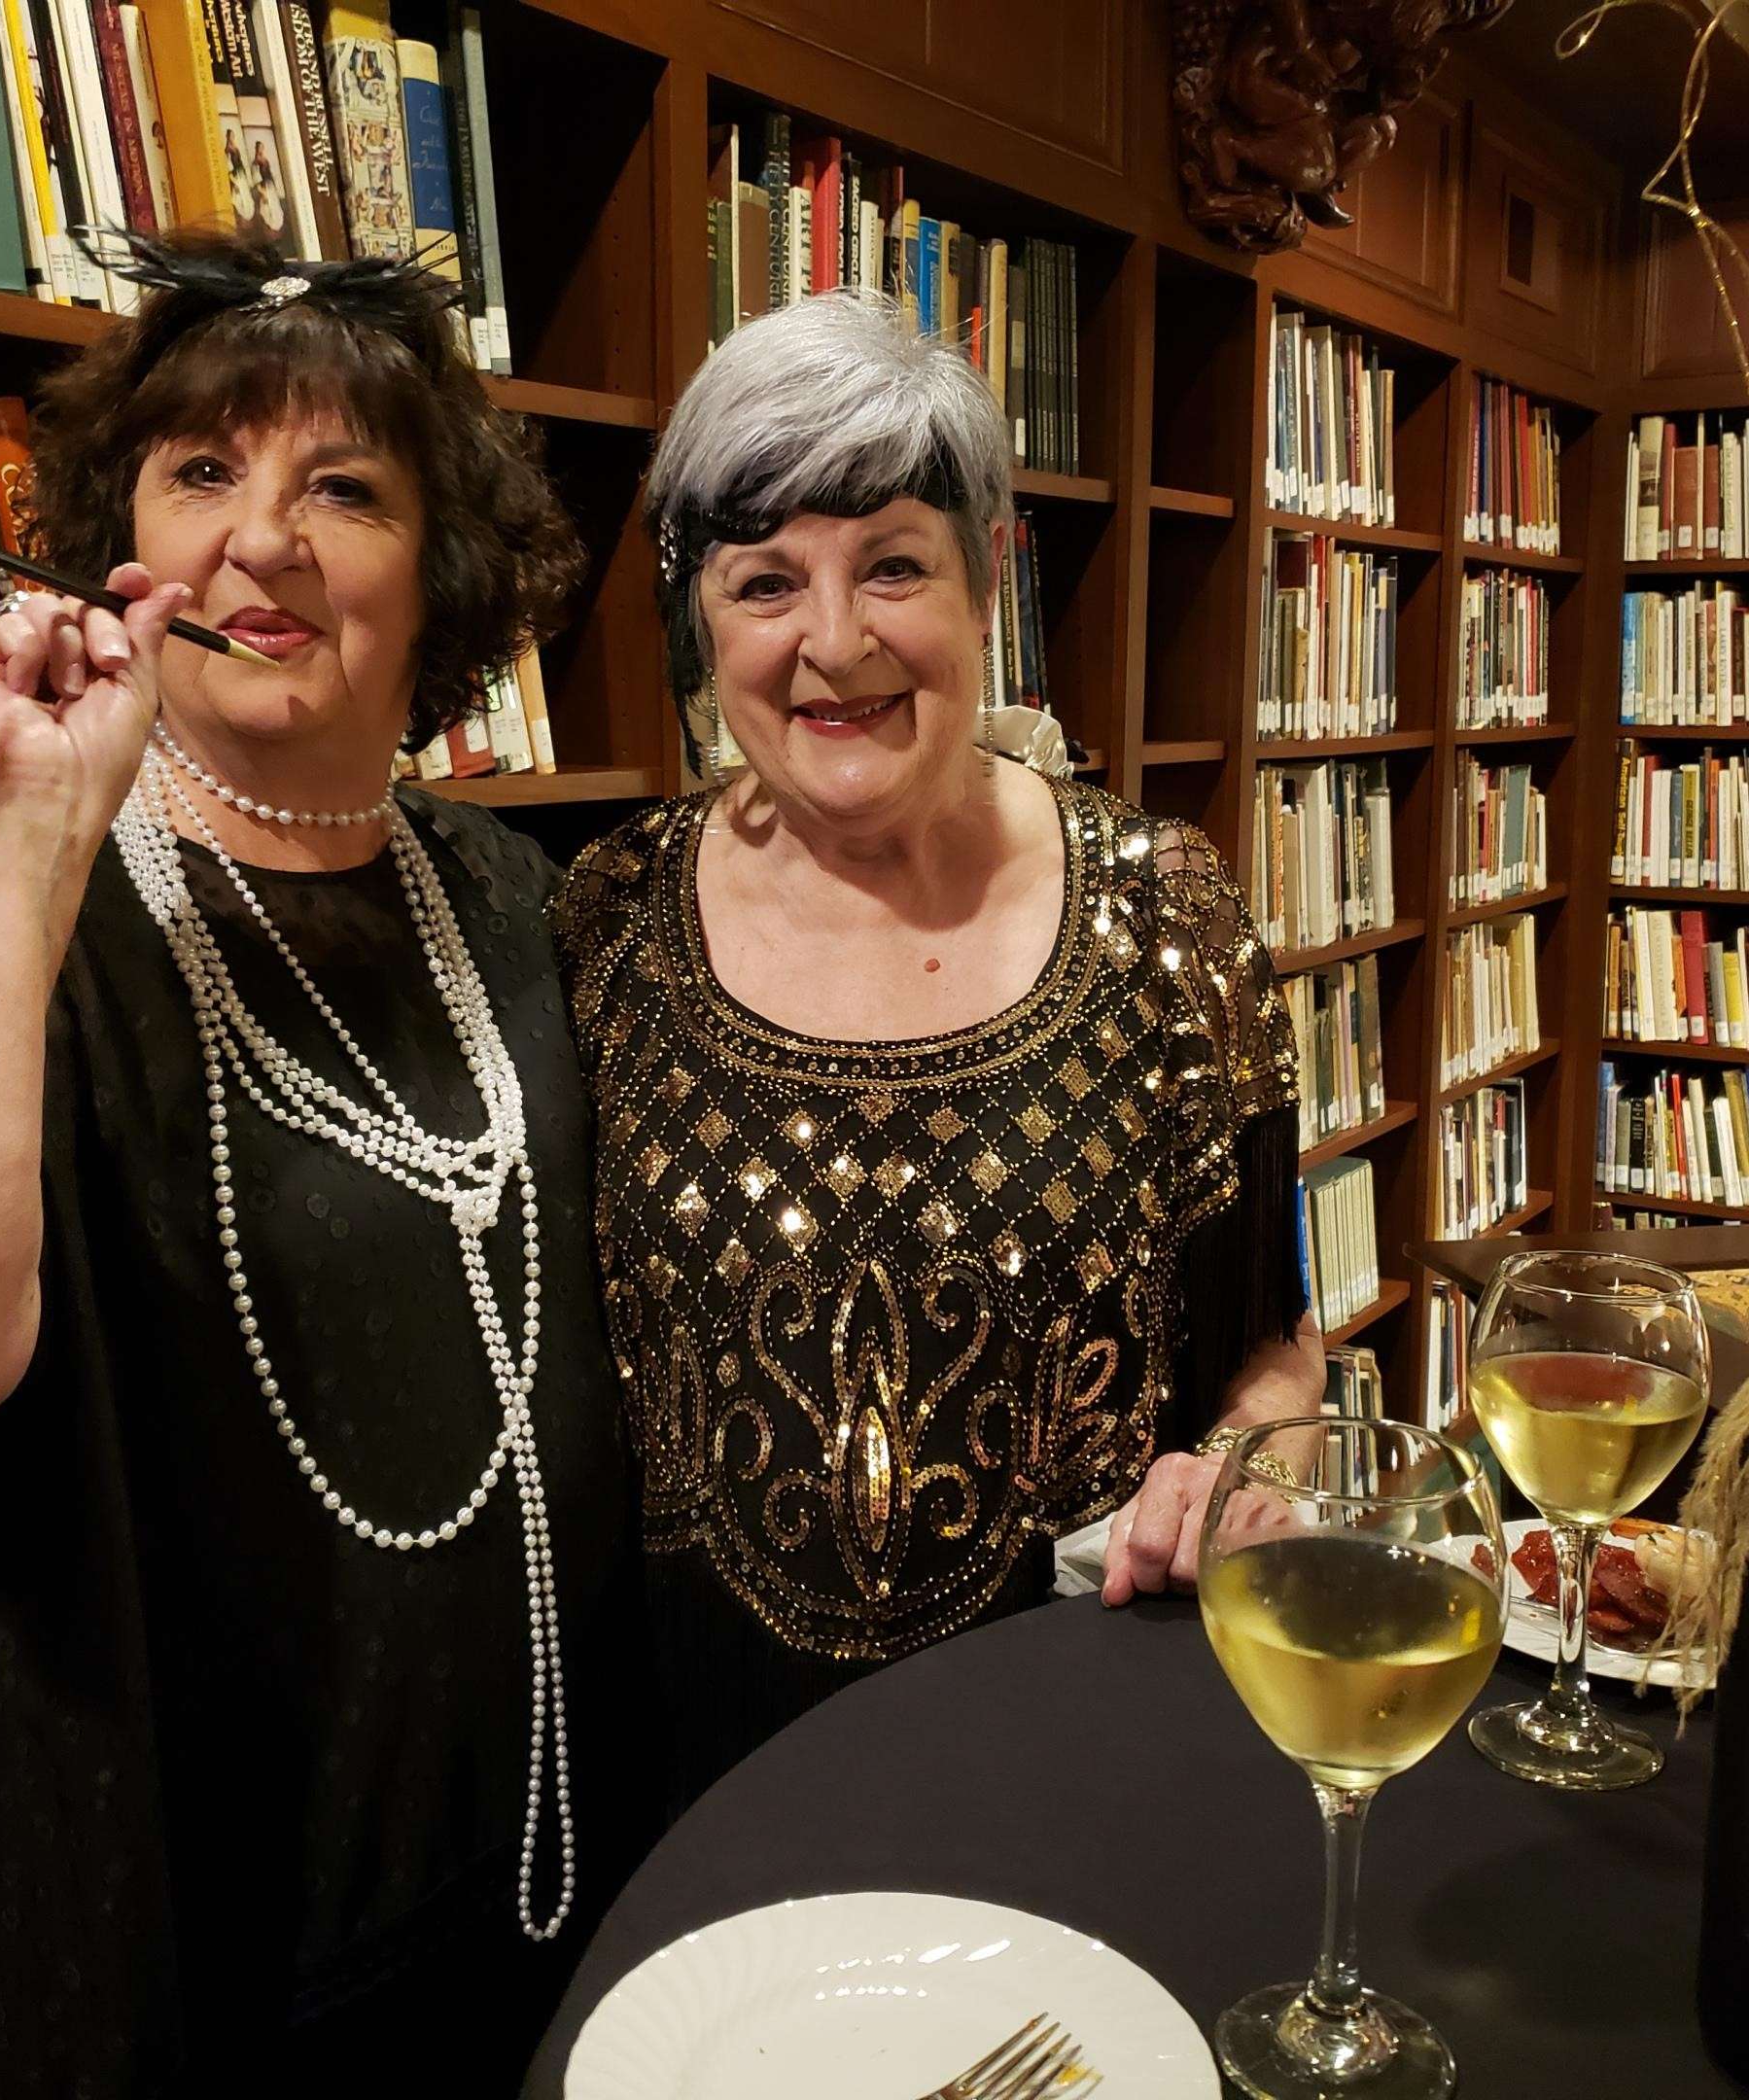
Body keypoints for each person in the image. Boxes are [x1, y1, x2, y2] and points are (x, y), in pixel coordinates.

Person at [0, 233, 636, 2093]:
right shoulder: (8, 894)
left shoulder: (507, 897)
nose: (267, 539)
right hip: (149, 1961)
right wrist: (28, 823)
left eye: (348, 489)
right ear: (119, 548)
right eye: (205, 473)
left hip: (519, 1907)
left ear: (443, 568)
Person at [554, 292, 1324, 1806]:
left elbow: (1276, 1357)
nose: (833, 645)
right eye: (764, 582)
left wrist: (1257, 1474)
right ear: (699, 626)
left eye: (892, 565)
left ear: (985, 588)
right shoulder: (599, 929)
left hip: (1089, 1760)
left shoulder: (1172, 921)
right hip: (699, 1798)